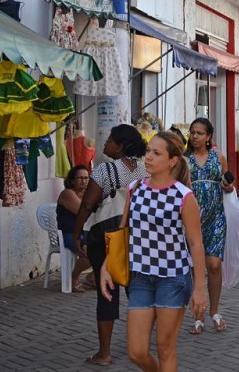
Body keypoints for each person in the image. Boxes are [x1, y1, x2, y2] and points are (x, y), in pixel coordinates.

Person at [99, 131, 207, 371]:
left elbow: (196, 244)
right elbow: (122, 232)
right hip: (140, 278)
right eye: (148, 151)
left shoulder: (183, 196)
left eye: (156, 153)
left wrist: (200, 289)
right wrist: (107, 266)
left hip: (173, 278)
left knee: (165, 347)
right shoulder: (134, 188)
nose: (148, 157)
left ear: (172, 161)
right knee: (136, 352)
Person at [73, 124, 148, 367]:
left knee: (107, 292)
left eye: (110, 141)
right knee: (138, 292)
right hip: (138, 236)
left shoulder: (105, 171)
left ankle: (104, 353)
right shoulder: (147, 169)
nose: (105, 144)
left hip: (107, 236)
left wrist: (77, 232)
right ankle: (140, 345)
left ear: (120, 146)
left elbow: (86, 205)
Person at [185, 117, 234, 334]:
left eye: (199, 133)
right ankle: (198, 316)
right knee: (197, 268)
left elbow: (229, 185)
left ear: (208, 136)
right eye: (192, 132)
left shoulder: (219, 157)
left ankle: (214, 311)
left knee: (214, 265)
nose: (195, 136)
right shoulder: (184, 160)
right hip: (192, 218)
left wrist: (229, 187)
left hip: (216, 217)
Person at [56, 165, 93, 292]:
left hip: (86, 233)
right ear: (72, 180)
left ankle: (92, 277)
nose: (84, 181)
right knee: (91, 254)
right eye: (80, 178)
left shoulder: (88, 194)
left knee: (110, 247)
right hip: (69, 234)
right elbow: (84, 214)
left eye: (86, 178)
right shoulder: (68, 193)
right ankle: (73, 277)